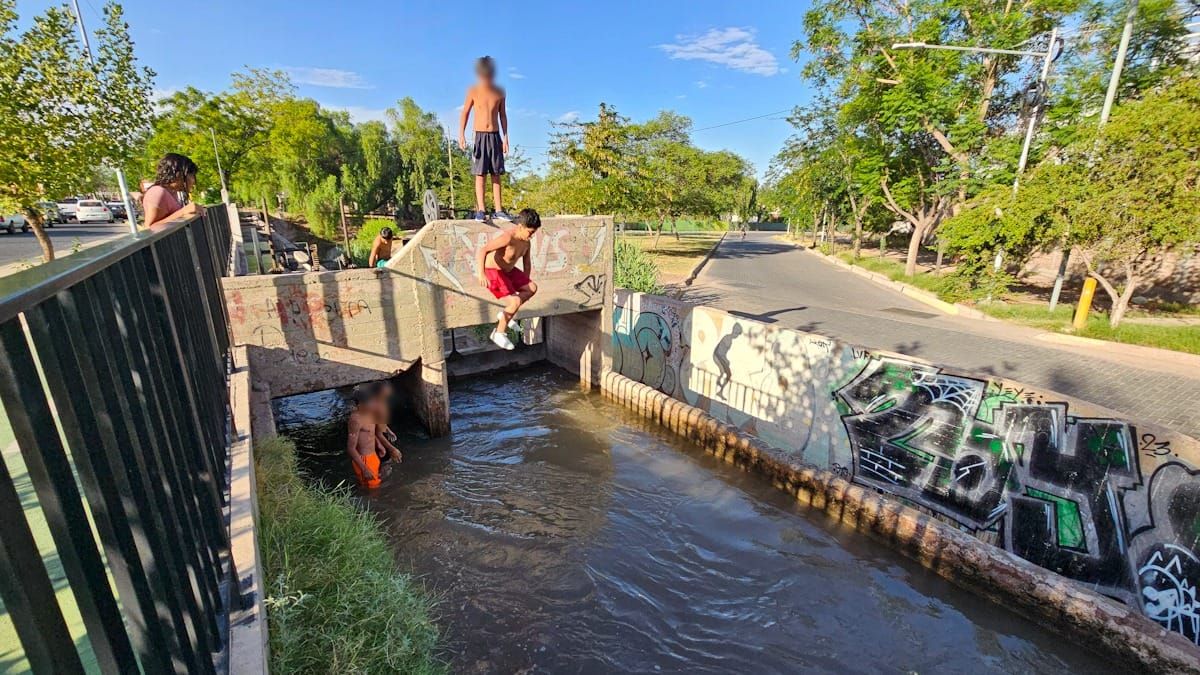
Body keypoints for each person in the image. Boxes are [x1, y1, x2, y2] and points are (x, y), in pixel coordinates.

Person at [476, 208, 540, 350]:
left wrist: (525, 282)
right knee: (515, 301)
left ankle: (506, 314)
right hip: (493, 271)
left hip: (508, 271)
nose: (531, 236)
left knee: (532, 288)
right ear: (520, 226)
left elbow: (527, 263)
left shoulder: (526, 242)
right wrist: (481, 274)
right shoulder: (508, 237)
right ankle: (498, 333)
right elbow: (483, 250)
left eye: (534, 233)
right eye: (530, 232)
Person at [458, 56, 511, 223]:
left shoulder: (500, 92)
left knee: (496, 174)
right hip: (480, 136)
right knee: (480, 174)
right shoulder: (473, 91)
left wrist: (506, 137)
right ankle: (481, 210)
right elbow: (465, 112)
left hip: (495, 135)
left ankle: (499, 210)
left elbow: (503, 115)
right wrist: (461, 134)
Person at [346, 382, 401, 488]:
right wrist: (364, 469)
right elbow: (351, 448)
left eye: (373, 401)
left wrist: (379, 444)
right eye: (370, 403)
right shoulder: (355, 420)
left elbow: (371, 430)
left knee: (376, 483)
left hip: (373, 456)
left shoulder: (370, 412)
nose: (374, 405)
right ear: (360, 405)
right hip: (364, 459)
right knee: (372, 490)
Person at [143, 153, 204, 230]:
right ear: (179, 174)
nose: (194, 181)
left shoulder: (172, 193)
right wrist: (183, 212)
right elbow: (149, 228)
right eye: (192, 175)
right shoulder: (157, 192)